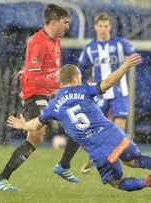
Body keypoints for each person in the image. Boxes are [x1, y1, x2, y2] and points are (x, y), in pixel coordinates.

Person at [7, 53, 151, 192]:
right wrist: (124, 66)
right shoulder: (84, 89)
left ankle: (149, 181)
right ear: (76, 78)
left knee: (119, 182)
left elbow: (35, 125)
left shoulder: (54, 105)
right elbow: (107, 83)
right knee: (136, 159)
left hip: (100, 152)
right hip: (116, 136)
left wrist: (23, 125)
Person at [0, 4, 78, 191]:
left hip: (48, 93)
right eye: (65, 22)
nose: (67, 26)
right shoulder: (38, 42)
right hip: (35, 94)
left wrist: (28, 71)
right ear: (54, 22)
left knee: (74, 122)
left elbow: (40, 69)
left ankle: (64, 165)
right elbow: (36, 77)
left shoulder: (55, 40)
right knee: (37, 136)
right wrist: (60, 85)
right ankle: (0, 179)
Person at [54, 12, 137, 175]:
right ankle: (95, 156)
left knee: (120, 126)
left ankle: (104, 158)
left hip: (120, 91)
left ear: (110, 27)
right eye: (100, 26)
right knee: (89, 127)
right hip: (99, 93)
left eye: (106, 26)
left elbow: (133, 55)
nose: (103, 29)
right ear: (95, 27)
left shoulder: (121, 44)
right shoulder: (90, 48)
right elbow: (81, 70)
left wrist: (130, 58)